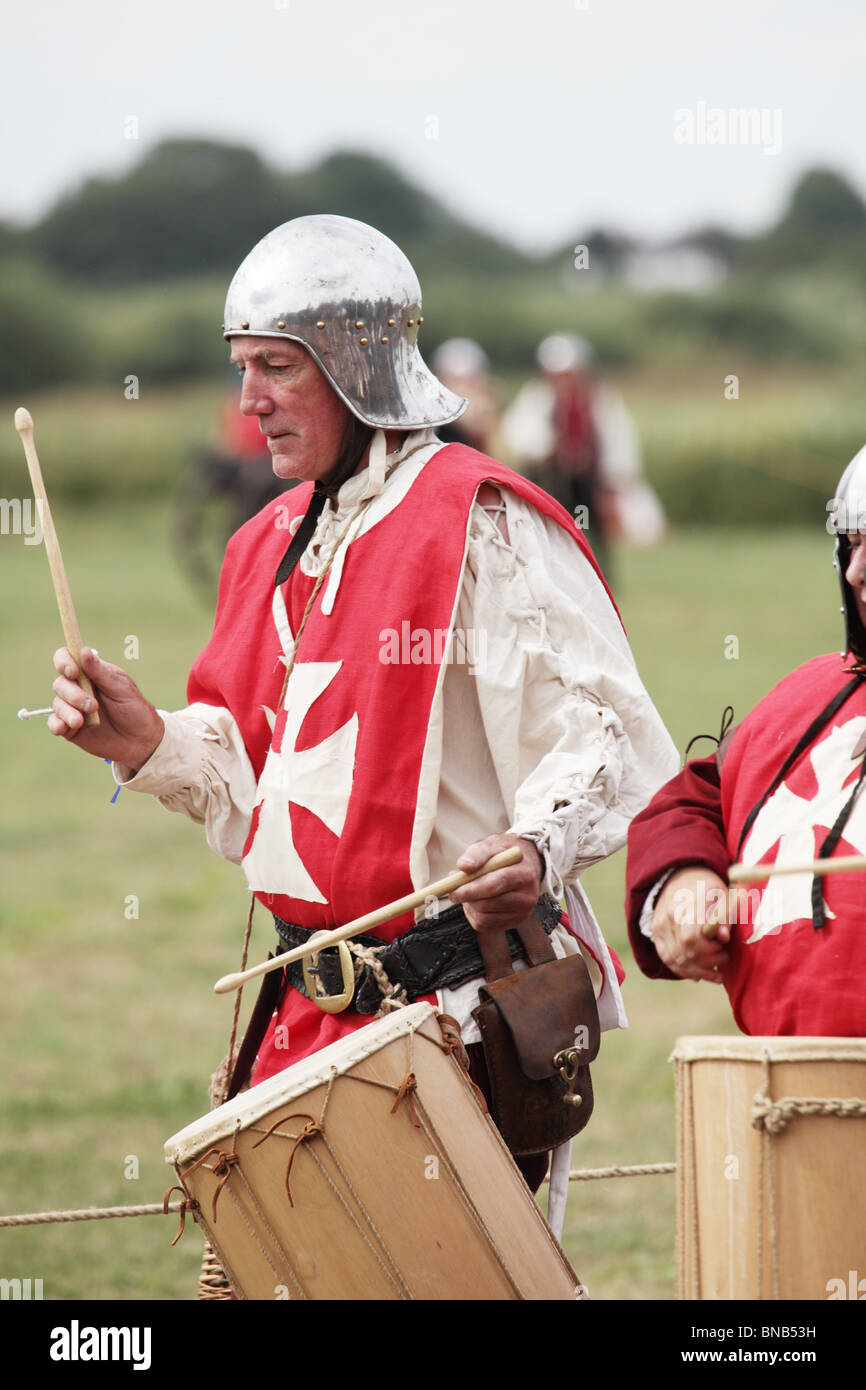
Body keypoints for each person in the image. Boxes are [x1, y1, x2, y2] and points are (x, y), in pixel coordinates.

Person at [48, 215, 678, 1201]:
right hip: (301, 1014)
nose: (248, 400)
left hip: (464, 1007)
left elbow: (596, 726)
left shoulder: (480, 519)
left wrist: (534, 846)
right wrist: (148, 741)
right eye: (240, 367)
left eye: (276, 368)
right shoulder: (265, 543)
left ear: (354, 368)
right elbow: (258, 770)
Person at [625, 444, 866, 1036]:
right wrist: (685, 881)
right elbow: (699, 799)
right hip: (782, 1100)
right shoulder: (810, 696)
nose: (858, 571)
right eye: (855, 543)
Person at [501, 332, 666, 583]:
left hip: (588, 478)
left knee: (592, 529)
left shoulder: (598, 398)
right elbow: (519, 434)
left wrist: (616, 478)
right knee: (548, 527)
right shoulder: (538, 397)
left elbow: (617, 437)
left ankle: (600, 579)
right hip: (550, 477)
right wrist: (547, 448)